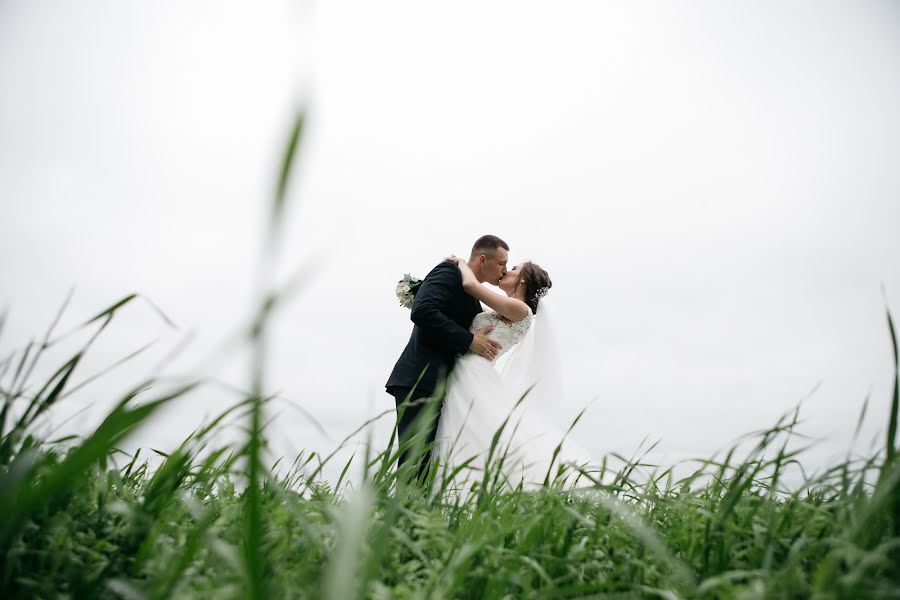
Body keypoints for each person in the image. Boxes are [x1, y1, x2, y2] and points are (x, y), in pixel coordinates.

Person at [433, 257, 593, 495]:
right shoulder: (503, 309)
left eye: (514, 268)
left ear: (523, 280)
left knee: (465, 431)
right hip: (467, 369)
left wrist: (460, 263)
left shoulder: (520, 309)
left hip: (472, 373)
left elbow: (471, 287)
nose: (507, 270)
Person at [386, 235, 510, 482]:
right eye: (502, 264)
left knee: (429, 465)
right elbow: (422, 310)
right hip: (420, 379)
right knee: (415, 462)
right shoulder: (448, 273)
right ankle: (400, 519)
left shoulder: (472, 292)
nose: (505, 270)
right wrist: (469, 341)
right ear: (483, 260)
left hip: (442, 385)